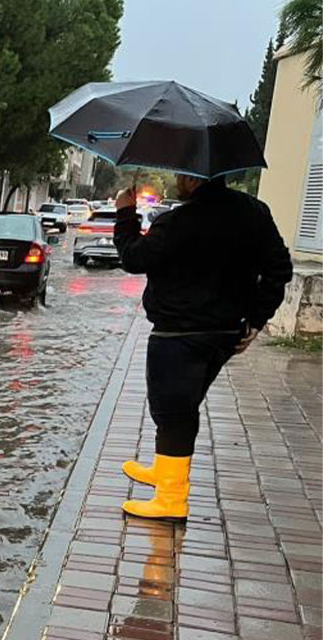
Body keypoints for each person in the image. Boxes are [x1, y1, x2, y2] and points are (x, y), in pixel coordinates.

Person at [113, 174, 293, 520]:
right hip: (225, 332)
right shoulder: (255, 212)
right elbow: (279, 270)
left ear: (194, 178)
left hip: (178, 334)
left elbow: (134, 258)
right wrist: (256, 321)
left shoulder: (179, 221)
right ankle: (168, 469)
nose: (179, 179)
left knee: (173, 412)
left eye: (182, 174)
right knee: (183, 407)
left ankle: (171, 499)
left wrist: (126, 213)